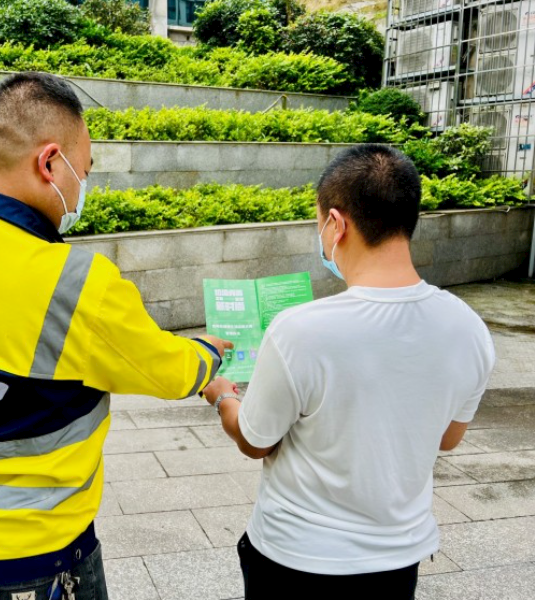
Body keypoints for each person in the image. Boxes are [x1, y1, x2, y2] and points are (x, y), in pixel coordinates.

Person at [0, 71, 232, 600]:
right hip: (38, 566)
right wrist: (208, 354)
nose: (83, 187)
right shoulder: (78, 285)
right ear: (50, 163)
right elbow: (168, 372)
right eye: (84, 169)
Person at [202, 144, 496, 598]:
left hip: (295, 560)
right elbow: (448, 438)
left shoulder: (300, 329)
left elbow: (256, 441)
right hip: (397, 561)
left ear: (336, 224)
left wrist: (222, 394)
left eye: (318, 223)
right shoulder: (468, 327)